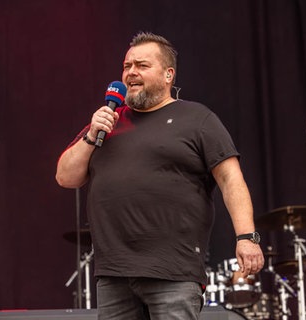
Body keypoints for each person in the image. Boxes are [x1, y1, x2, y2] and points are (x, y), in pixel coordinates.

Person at [55, 32, 264, 319]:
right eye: (127, 66)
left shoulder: (197, 119)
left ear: (168, 75)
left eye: (142, 65)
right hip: (114, 273)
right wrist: (91, 135)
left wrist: (246, 237)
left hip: (173, 272)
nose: (131, 73)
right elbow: (65, 177)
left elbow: (231, 180)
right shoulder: (108, 122)